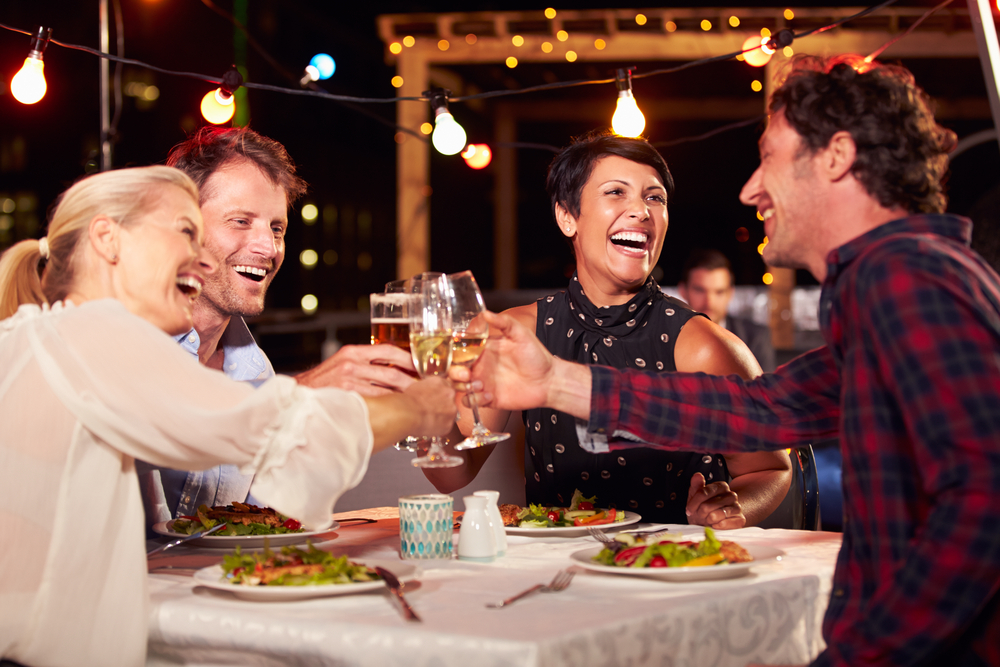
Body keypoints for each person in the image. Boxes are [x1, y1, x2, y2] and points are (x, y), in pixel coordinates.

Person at [456, 55, 1000, 667]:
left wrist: (866, 655)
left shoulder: (907, 280)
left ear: (836, 156)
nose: (750, 189)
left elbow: (985, 501)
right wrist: (554, 379)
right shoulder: (891, 280)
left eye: (768, 157)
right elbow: (760, 409)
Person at [0, 166, 456, 667]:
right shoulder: (93, 332)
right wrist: (417, 407)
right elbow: (276, 432)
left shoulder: (34, 334)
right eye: (183, 231)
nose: (200, 258)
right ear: (108, 239)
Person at [427, 131, 792, 528]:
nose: (641, 210)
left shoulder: (702, 346)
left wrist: (729, 509)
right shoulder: (516, 332)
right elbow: (453, 473)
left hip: (664, 572)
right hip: (553, 574)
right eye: (616, 192)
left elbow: (770, 469)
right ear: (568, 217)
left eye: (655, 198)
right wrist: (424, 405)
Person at [139, 127, 418, 528]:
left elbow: (256, 524)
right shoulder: (122, 341)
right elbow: (164, 426)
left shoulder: (254, 368)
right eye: (240, 221)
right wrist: (303, 393)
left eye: (276, 228)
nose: (269, 249)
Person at [678, 248, 776, 372]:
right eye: (699, 290)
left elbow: (766, 389)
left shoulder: (755, 337)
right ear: (683, 291)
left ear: (730, 293)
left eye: (719, 292)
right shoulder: (667, 338)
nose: (709, 301)